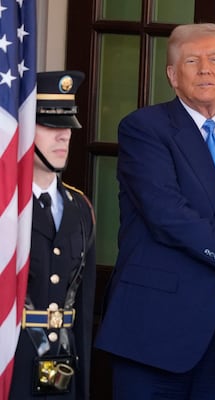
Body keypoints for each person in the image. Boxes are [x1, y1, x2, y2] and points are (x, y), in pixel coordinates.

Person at [94, 23, 215, 400]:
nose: (205, 69)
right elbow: (166, 212)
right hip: (154, 334)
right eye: (192, 61)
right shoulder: (144, 129)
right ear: (173, 76)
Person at [10, 71, 96, 399]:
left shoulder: (80, 208)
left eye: (68, 127)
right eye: (50, 126)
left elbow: (84, 311)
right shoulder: (8, 208)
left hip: (62, 362)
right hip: (12, 359)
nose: (64, 137)